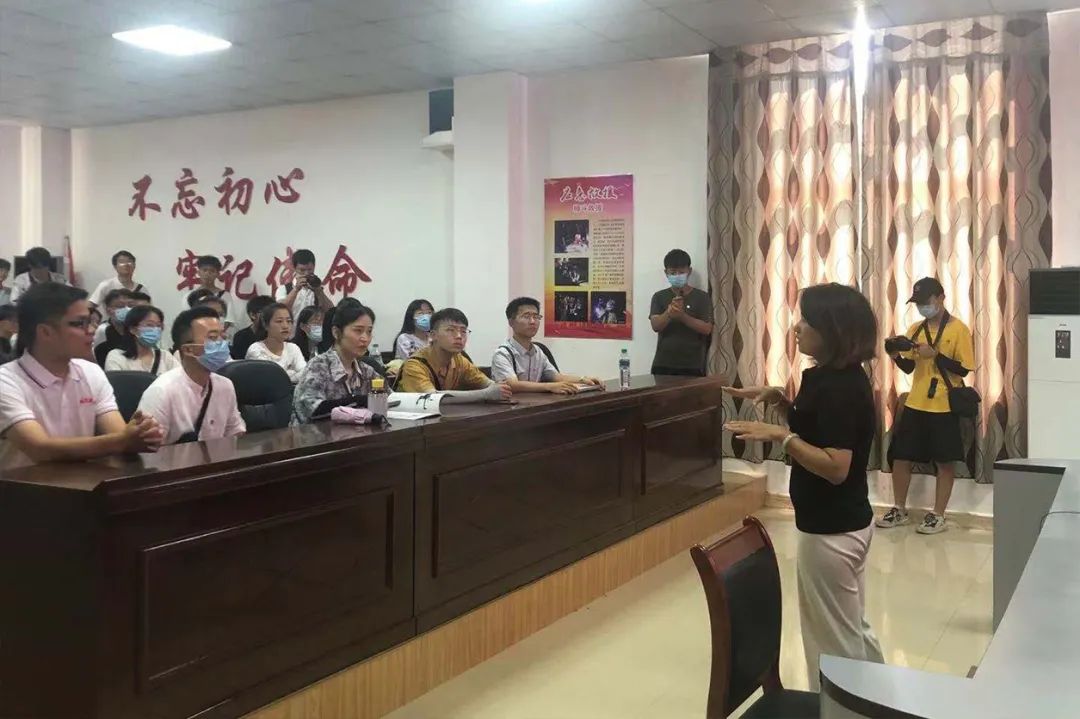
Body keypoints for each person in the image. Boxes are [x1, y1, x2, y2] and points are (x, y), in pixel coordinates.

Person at [722, 282, 883, 692]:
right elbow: (817, 426)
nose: (797, 328)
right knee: (851, 627)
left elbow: (836, 467)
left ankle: (842, 709)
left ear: (832, 330)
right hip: (843, 521)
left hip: (832, 531)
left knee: (831, 642)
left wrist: (782, 437)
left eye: (806, 321)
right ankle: (877, 701)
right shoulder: (826, 377)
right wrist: (780, 401)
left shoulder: (841, 387)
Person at [0, 283, 164, 462]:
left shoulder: (90, 372)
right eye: (79, 324)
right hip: (25, 480)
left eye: (91, 322)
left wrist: (140, 433)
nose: (92, 330)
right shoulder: (6, 381)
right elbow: (41, 449)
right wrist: (124, 440)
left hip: (86, 477)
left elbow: (118, 433)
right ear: (45, 332)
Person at [877, 278, 976, 535]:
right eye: (918, 303)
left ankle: (938, 515)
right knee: (901, 456)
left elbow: (964, 369)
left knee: (944, 462)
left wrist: (937, 356)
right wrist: (894, 355)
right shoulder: (915, 329)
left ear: (941, 298)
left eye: (926, 301)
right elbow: (910, 367)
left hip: (944, 405)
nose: (922, 307)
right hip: (916, 402)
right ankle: (899, 509)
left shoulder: (959, 329)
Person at [137, 307, 246, 445]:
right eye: (213, 338)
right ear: (188, 349)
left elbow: (235, 433)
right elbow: (148, 450)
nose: (222, 344)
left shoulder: (225, 386)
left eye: (222, 336)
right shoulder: (161, 391)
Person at [292, 301, 380, 424]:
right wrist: (358, 401)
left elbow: (392, 399)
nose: (365, 338)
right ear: (336, 332)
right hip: (315, 434)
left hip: (356, 434)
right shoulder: (318, 366)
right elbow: (313, 410)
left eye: (369, 331)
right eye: (358, 331)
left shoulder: (366, 371)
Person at [492, 297, 603, 395]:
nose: (532, 321)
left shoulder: (538, 352)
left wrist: (584, 380)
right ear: (511, 322)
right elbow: (512, 385)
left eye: (536, 317)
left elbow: (556, 377)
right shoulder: (503, 354)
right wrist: (549, 386)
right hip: (512, 409)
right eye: (526, 316)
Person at [399, 308, 512, 401]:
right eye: (450, 330)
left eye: (463, 331)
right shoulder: (414, 365)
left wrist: (498, 388)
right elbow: (431, 398)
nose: (459, 336)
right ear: (433, 335)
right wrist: (485, 394)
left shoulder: (459, 360)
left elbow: (488, 384)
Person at [649, 249, 714, 377]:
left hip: (693, 365)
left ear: (689, 271)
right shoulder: (659, 296)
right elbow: (655, 326)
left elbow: (707, 329)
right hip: (663, 364)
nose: (677, 276)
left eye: (681, 272)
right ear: (666, 273)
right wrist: (669, 313)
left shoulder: (702, 297)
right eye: (673, 273)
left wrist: (682, 316)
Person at [104, 305, 179, 376]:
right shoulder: (117, 356)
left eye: (158, 326)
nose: (155, 330)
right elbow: (116, 382)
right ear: (133, 329)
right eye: (149, 325)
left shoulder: (165, 356)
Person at [246, 302, 307, 382]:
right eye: (279, 321)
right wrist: (292, 372)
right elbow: (271, 379)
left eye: (288, 321)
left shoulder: (293, 348)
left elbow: (306, 373)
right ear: (265, 325)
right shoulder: (256, 349)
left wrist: (287, 375)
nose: (285, 326)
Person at [182, 255, 241, 333]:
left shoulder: (225, 295)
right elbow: (186, 320)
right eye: (205, 270)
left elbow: (229, 320)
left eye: (212, 271)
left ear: (217, 274)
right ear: (198, 272)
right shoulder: (189, 296)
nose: (208, 274)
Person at [276, 249, 332, 315]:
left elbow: (330, 311)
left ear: (314, 267)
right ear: (294, 268)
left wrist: (319, 291)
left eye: (310, 269)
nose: (306, 273)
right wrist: (296, 289)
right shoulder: (283, 289)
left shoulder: (318, 289)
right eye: (302, 270)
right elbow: (280, 311)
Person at [93, 288, 135, 365]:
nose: (127, 309)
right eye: (121, 306)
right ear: (108, 310)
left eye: (130, 306)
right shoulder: (103, 330)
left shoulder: (135, 329)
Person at [230, 295, 274, 360]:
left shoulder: (278, 334)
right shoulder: (241, 337)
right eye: (266, 313)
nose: (270, 317)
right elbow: (240, 363)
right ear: (253, 315)